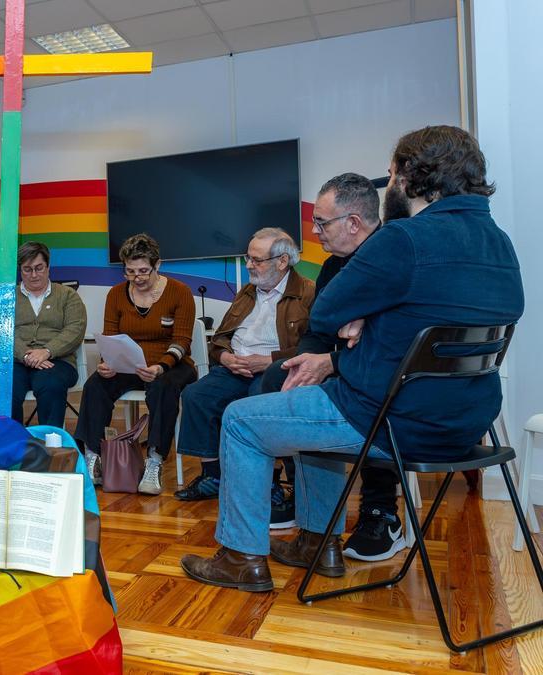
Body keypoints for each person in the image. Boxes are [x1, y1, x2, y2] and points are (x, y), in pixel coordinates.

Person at [180, 125, 524, 592]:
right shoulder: (498, 241)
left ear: (412, 177)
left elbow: (326, 311)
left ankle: (241, 558)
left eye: (392, 174)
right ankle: (317, 543)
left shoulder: (402, 238)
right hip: (467, 424)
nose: (389, 185)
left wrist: (363, 316)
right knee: (312, 395)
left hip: (393, 421)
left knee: (241, 419)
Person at [260, 173, 405, 562]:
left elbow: (388, 339)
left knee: (370, 395)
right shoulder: (331, 268)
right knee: (281, 376)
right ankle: (308, 508)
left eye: (322, 223)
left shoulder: (394, 257)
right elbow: (318, 331)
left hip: (380, 371)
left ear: (353, 223)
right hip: (340, 360)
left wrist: (332, 358)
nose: (314, 230)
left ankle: (381, 511)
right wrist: (306, 362)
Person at [174, 228, 314, 529]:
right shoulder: (247, 292)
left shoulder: (307, 292)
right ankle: (213, 476)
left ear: (282, 261)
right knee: (196, 396)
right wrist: (225, 357)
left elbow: (312, 346)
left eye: (256, 260)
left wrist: (269, 361)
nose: (249, 265)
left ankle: (271, 482)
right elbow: (220, 338)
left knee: (256, 403)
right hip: (235, 367)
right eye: (248, 258)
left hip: (277, 370)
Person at [74, 233, 197, 495]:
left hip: (172, 364)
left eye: (143, 271)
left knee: (163, 386)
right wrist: (107, 362)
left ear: (157, 265)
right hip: (128, 364)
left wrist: (161, 366)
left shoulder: (180, 292)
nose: (137, 278)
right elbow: (110, 336)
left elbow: (182, 341)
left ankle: (155, 459)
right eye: (130, 271)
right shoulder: (116, 294)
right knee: (95, 385)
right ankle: (93, 456)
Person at [0, 241, 87, 428]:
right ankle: (12, 441)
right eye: (27, 269)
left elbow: (75, 329)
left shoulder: (67, 296)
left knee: (51, 384)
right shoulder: (7, 297)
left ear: (48, 267)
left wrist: (47, 351)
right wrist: (26, 355)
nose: (34, 275)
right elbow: (0, 331)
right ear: (20, 270)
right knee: (4, 383)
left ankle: (49, 442)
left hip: (57, 361)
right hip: (14, 361)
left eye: (39, 268)